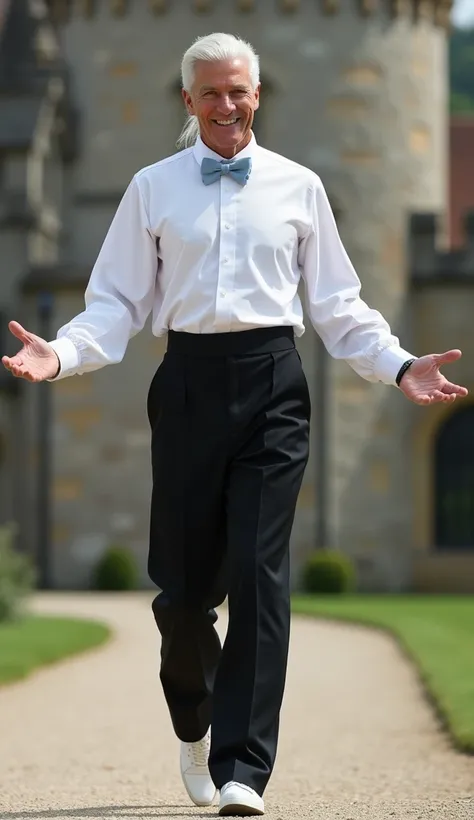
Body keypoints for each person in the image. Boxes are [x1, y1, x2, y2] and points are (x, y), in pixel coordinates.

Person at [2, 31, 468, 818]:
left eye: (239, 91)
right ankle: (193, 726)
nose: (227, 105)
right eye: (211, 93)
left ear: (258, 96)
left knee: (260, 575)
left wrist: (398, 364)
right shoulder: (151, 189)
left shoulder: (299, 187)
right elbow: (116, 302)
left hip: (274, 386)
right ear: (188, 101)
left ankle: (244, 767)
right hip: (186, 383)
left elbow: (337, 305)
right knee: (183, 598)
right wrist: (66, 352)